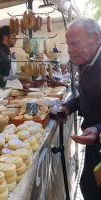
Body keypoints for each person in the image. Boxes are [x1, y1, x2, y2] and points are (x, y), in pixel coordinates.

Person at [61, 18, 101, 200]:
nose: (69, 50)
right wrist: (68, 107)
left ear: (96, 39)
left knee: (93, 190)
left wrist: (99, 129)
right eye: (68, 44)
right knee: (88, 185)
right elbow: (89, 96)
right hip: (94, 142)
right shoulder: (87, 62)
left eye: (75, 44)